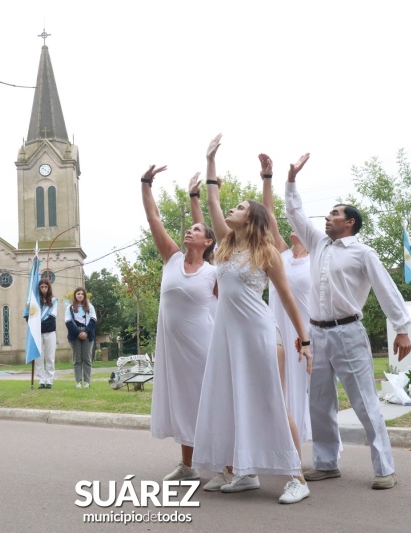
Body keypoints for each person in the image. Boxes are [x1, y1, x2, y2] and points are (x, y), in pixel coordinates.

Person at [192, 134, 314, 505]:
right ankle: (244, 473)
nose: (231, 208)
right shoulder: (227, 244)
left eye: (240, 206)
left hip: (260, 334)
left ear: (252, 217)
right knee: (231, 401)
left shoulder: (266, 252)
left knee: (270, 402)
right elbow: (212, 198)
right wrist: (210, 159)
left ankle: (297, 477)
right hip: (227, 338)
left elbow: (289, 300)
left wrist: (304, 341)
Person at [284, 152, 411, 490]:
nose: (327, 217)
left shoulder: (363, 253)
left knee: (365, 402)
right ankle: (326, 464)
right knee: (319, 402)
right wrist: (291, 180)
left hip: (349, 332)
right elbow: (294, 213)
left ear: (350, 222)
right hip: (317, 332)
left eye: (335, 213)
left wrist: (402, 330)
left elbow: (387, 290)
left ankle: (385, 468)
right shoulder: (317, 244)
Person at [141, 165, 218, 482]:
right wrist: (146, 184)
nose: (190, 231)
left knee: (208, 403)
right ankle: (188, 466)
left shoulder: (214, 273)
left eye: (198, 230)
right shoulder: (171, 258)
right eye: (190, 229)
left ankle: (224, 466)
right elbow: (154, 219)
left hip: (205, 347)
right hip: (174, 351)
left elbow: (231, 307)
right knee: (185, 403)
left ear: (209, 242)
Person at [259, 153, 312, 444]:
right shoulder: (281, 255)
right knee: (277, 389)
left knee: (303, 391)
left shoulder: (316, 259)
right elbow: (267, 218)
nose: (292, 227)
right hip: (276, 330)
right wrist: (268, 178)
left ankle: (307, 451)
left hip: (304, 333)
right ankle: (281, 446)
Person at [65, 288, 96, 388]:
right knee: (77, 359)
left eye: (82, 294)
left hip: (88, 333)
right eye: (78, 294)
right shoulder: (69, 308)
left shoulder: (90, 307)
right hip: (75, 334)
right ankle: (78, 382)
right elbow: (68, 322)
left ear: (84, 296)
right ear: (75, 295)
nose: (80, 295)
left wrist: (86, 332)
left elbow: (93, 320)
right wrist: (78, 333)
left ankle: (87, 382)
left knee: (86, 359)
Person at [35, 280, 59, 389]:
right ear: (39, 288)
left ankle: (49, 380)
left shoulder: (54, 301)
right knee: (39, 357)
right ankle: (41, 380)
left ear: (49, 288)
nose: (44, 289)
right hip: (37, 333)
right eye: (41, 287)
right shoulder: (35, 301)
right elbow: (29, 316)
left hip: (49, 331)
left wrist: (39, 324)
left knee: (50, 357)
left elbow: (52, 317)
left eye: (45, 287)